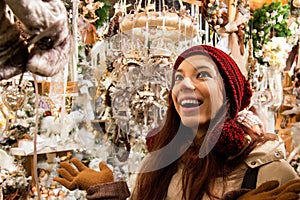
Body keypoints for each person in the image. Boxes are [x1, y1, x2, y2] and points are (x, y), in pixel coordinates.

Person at [54, 45, 300, 200]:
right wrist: (108, 191)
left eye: (201, 75)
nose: (185, 84)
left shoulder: (269, 174)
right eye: (178, 78)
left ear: (227, 93)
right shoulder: (158, 162)